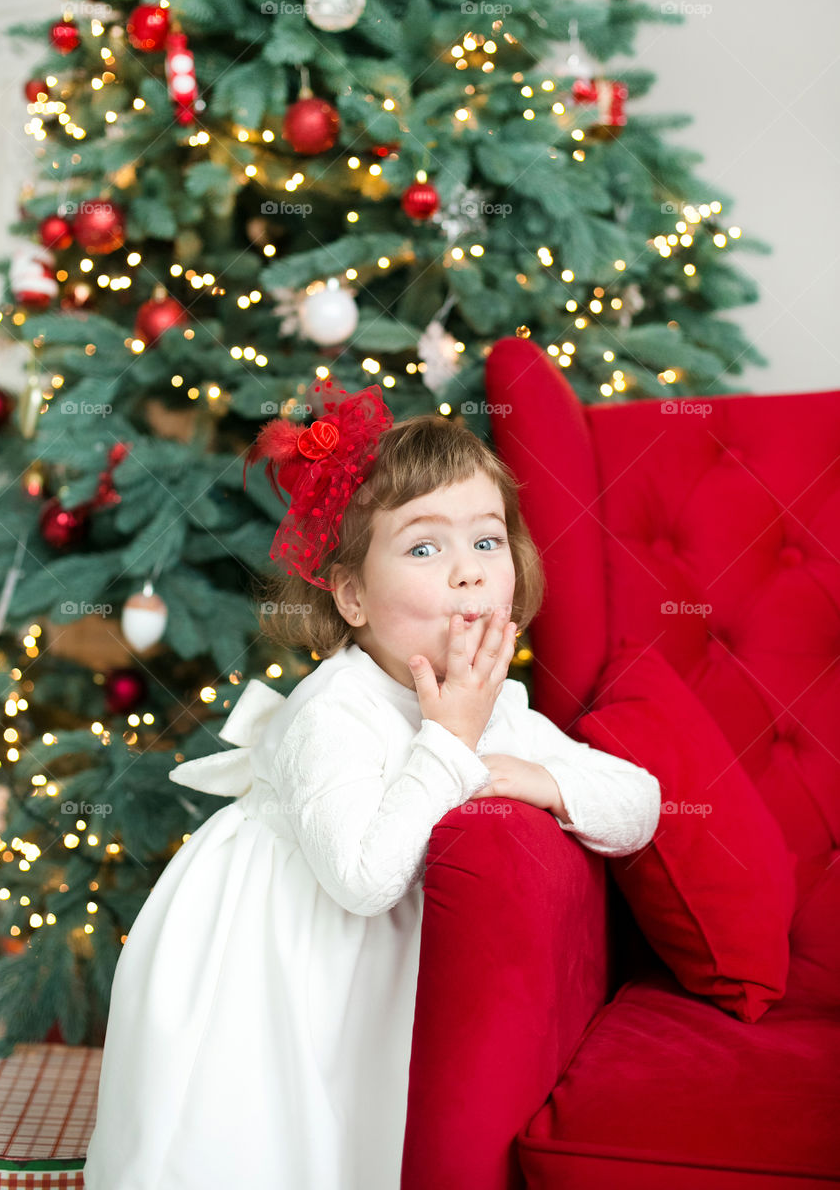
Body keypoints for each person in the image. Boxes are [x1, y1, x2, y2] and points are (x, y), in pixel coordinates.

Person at [83, 376, 661, 1190]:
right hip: (282, 962)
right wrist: (449, 744)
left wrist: (536, 777)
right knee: (280, 1143)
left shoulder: (493, 706)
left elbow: (639, 805)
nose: (466, 572)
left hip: (386, 972)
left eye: (486, 542)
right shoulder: (333, 712)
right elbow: (363, 880)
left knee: (381, 1133)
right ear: (352, 594)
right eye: (424, 548)